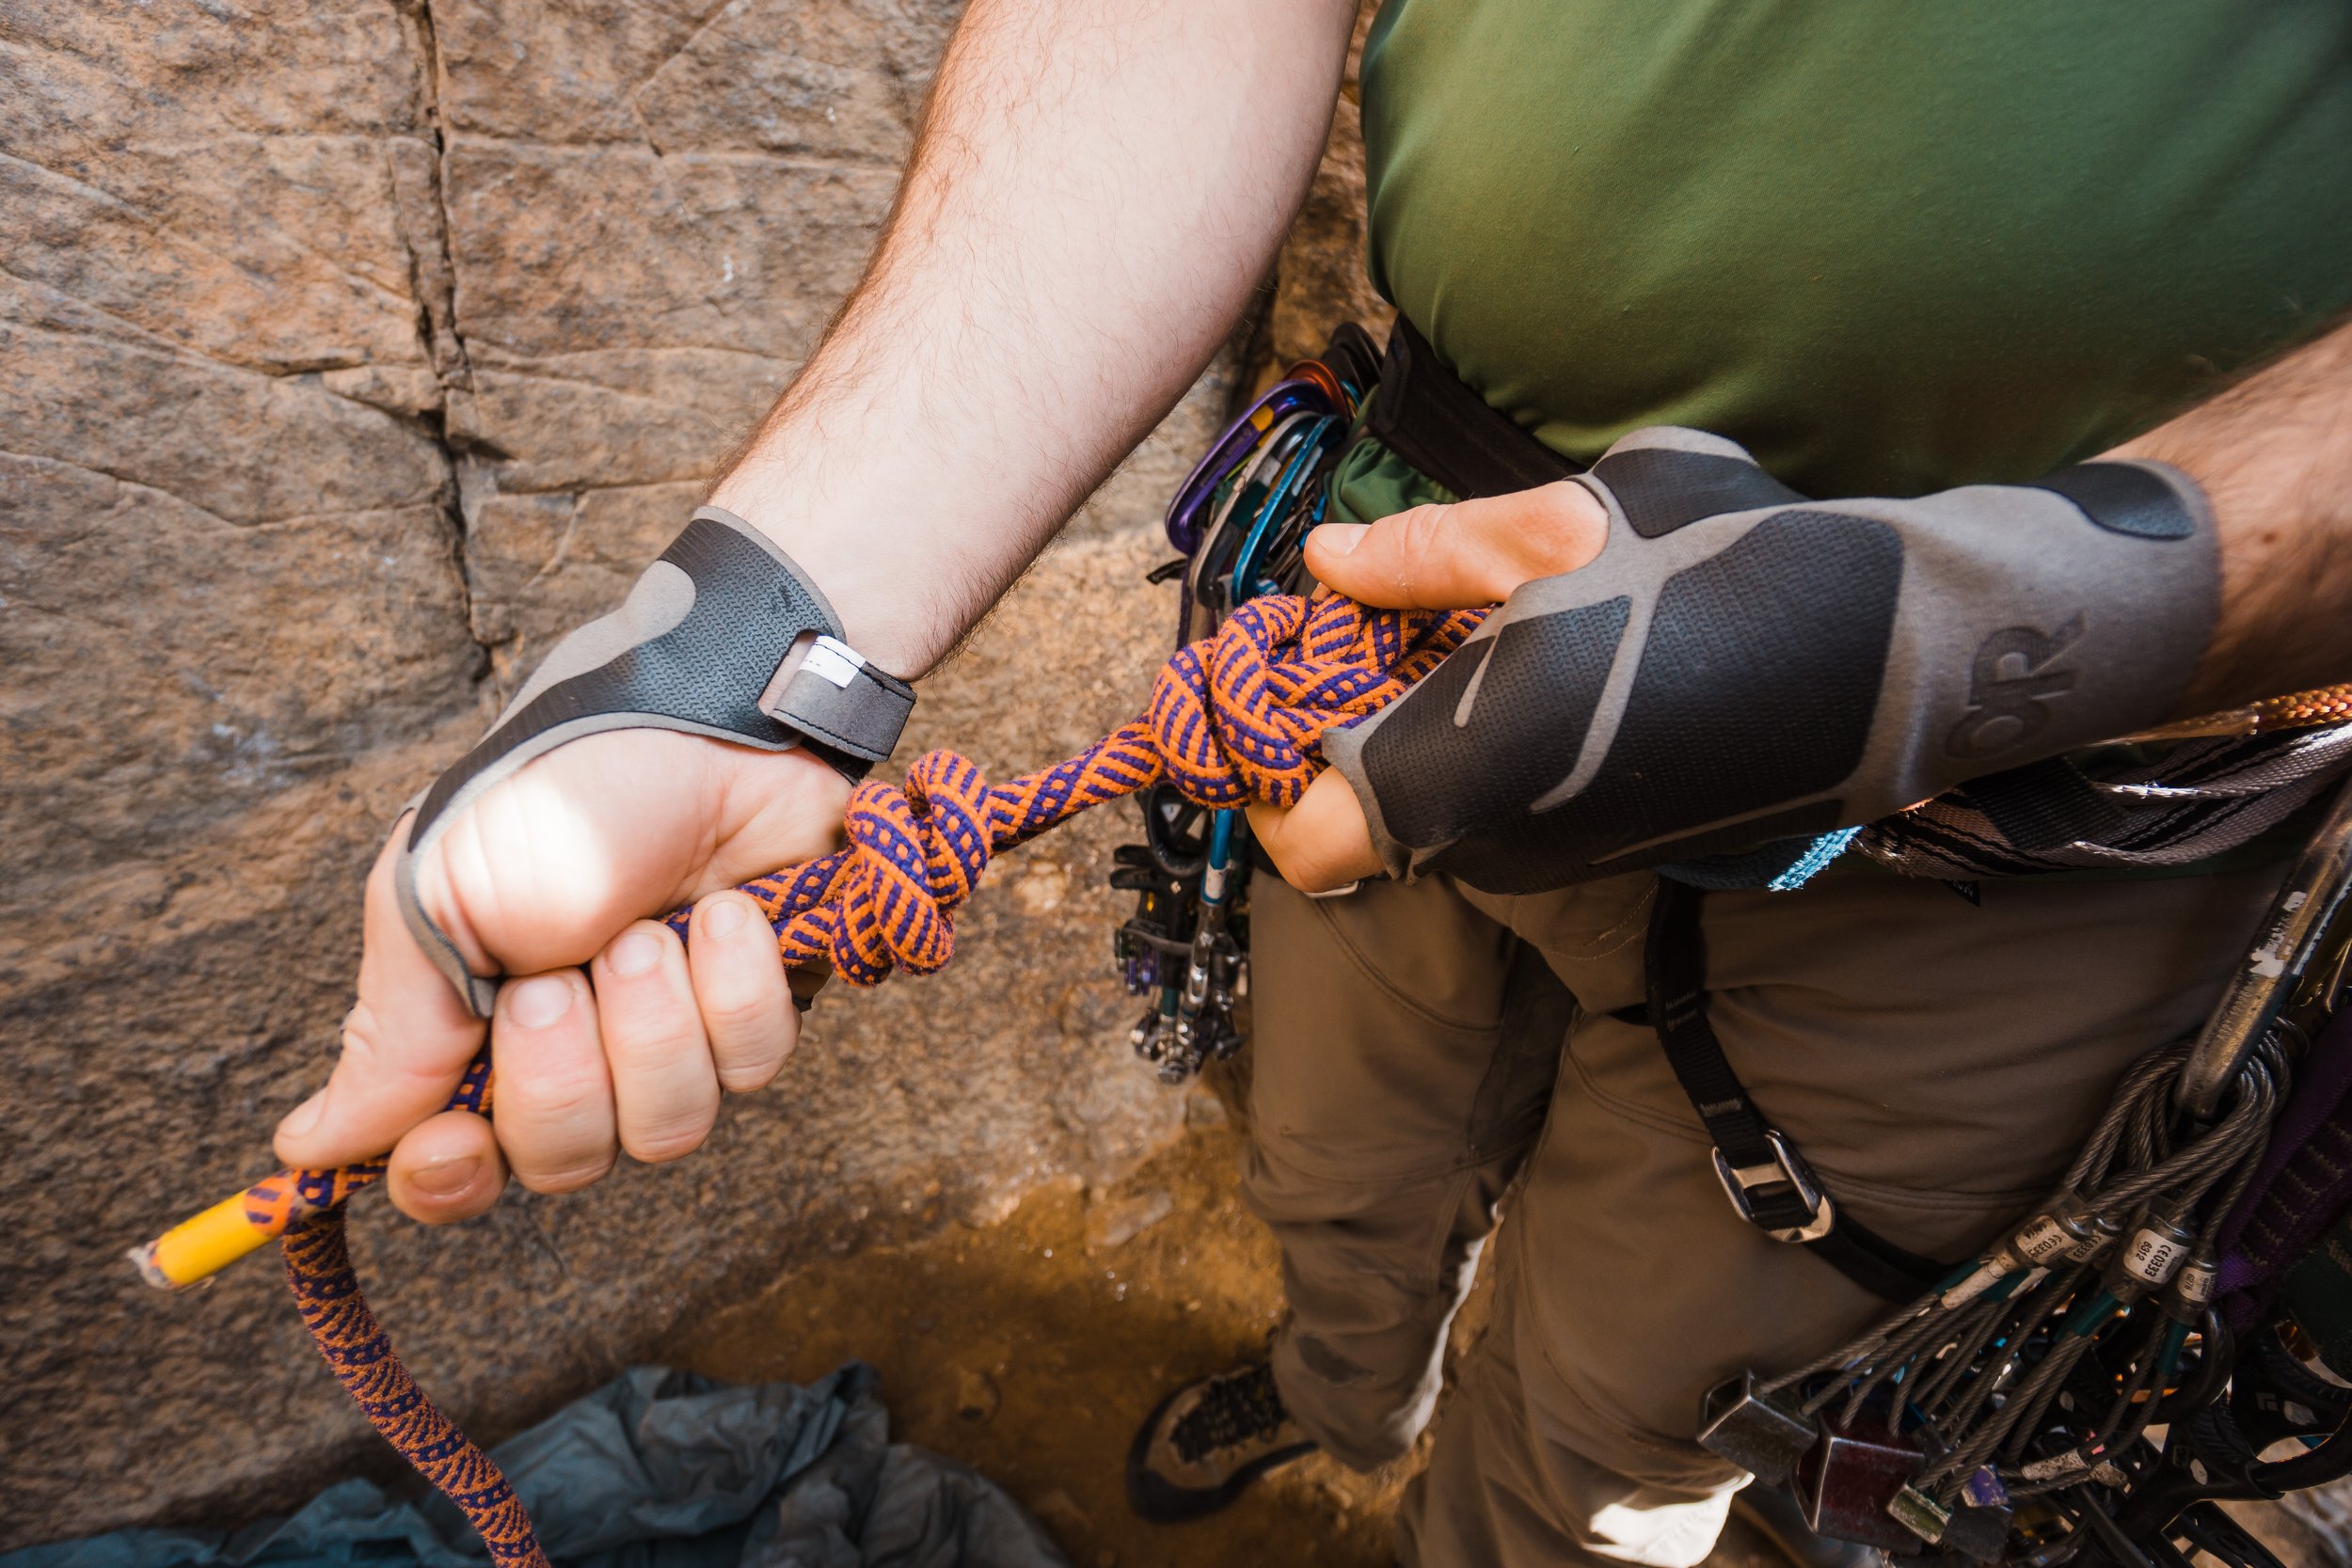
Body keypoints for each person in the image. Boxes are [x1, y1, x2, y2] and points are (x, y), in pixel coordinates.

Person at [267, 3, 2352, 1563]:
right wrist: (745, 650)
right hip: (1374, 644)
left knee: (1627, 1410)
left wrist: (2006, 619)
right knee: (1333, 1147)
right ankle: (1340, 1383)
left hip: (2042, 810)